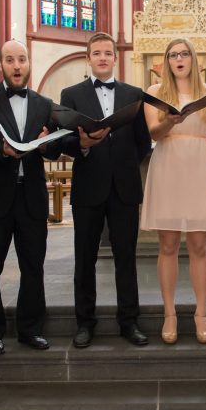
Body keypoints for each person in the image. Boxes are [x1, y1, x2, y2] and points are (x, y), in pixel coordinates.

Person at [0, 40, 61, 355]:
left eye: (21, 59)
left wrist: (48, 144)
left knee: (33, 266)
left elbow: (57, 147)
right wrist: (0, 151)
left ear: (29, 62)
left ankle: (31, 329)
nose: (16, 66)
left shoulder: (44, 103)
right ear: (0, 64)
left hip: (31, 196)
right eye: (10, 60)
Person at [58, 32, 152, 348]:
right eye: (96, 52)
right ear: (88, 58)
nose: (102, 57)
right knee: (84, 258)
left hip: (125, 188)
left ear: (115, 57)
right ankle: (85, 323)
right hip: (88, 186)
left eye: (107, 53)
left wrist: (122, 165)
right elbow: (64, 140)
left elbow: (142, 141)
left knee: (126, 257)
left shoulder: (133, 93)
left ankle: (130, 322)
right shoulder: (70, 94)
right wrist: (82, 146)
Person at [140, 38, 206, 344]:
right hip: (168, 166)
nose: (179, 59)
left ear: (194, 59)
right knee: (167, 246)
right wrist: (169, 120)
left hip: (201, 168)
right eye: (173, 55)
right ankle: (170, 314)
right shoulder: (154, 93)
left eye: (184, 54)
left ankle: (200, 313)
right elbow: (153, 132)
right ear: (167, 61)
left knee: (200, 246)